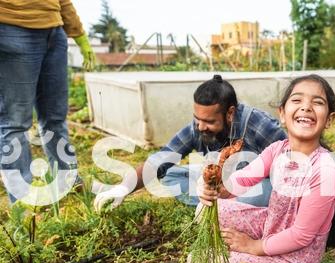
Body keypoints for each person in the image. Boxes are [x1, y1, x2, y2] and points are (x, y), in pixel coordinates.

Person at [198, 74, 335, 263]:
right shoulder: (277, 150)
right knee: (204, 210)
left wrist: (253, 246)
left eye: (317, 102)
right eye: (297, 100)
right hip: (273, 226)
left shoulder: (324, 171)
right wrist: (218, 190)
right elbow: (242, 181)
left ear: (329, 120)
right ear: (282, 113)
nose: (306, 107)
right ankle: (249, 260)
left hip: (295, 258)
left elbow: (301, 236)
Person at [93, 75, 287, 210]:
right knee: (171, 176)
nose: (201, 127)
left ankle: (225, 208)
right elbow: (159, 160)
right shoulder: (197, 128)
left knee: (267, 191)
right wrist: (123, 188)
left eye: (209, 121)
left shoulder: (256, 124)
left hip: (254, 186)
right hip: (219, 187)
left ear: (230, 113)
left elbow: (291, 163)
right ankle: (219, 207)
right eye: (197, 119)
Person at [0, 0, 95, 202]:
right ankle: (23, 205)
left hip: (54, 32)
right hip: (11, 28)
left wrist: (79, 34)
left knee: (55, 118)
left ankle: (68, 183)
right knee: (15, 123)